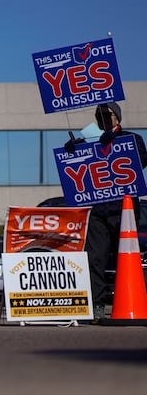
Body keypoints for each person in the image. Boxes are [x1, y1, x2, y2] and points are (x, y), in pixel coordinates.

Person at [66, 102, 147, 322]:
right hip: (98, 210)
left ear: (117, 117)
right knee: (96, 259)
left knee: (127, 260)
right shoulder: (88, 141)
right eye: (98, 114)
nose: (102, 118)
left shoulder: (132, 139)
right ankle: (97, 305)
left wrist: (115, 142)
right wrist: (72, 151)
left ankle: (132, 300)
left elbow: (140, 161)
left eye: (106, 114)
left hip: (124, 211)